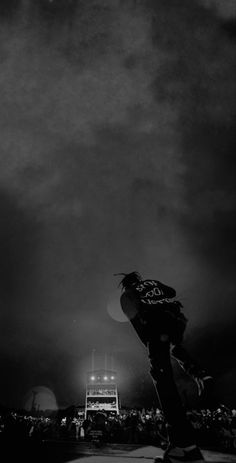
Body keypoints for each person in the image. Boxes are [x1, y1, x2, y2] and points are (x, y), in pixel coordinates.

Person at [116, 271, 213, 463]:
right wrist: (155, 294)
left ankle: (181, 445)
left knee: (163, 380)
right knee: (175, 347)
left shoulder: (127, 295)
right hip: (175, 322)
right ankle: (199, 373)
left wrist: (150, 346)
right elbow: (172, 291)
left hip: (155, 328)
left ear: (126, 285)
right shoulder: (152, 282)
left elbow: (137, 323)